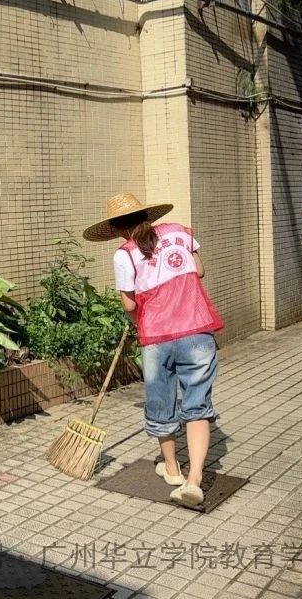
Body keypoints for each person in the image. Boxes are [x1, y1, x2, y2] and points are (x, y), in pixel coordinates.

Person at [84, 193, 224, 508]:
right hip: (196, 330)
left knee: (161, 402)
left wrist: (139, 316)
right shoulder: (179, 232)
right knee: (197, 405)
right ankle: (194, 480)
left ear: (116, 228)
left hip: (157, 338)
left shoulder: (124, 254)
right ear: (147, 216)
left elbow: (129, 305)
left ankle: (172, 469)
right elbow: (199, 271)